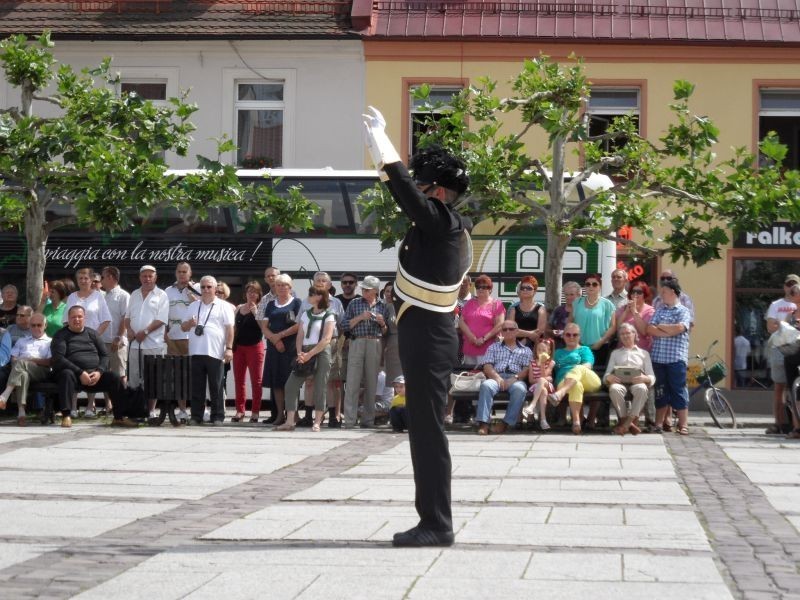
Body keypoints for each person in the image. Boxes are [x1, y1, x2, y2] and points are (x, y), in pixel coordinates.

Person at [364, 106, 471, 547]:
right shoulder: (435, 230)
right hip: (424, 335)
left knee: (429, 433)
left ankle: (436, 524)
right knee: (423, 430)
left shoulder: (444, 223)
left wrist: (384, 147)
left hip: (429, 338)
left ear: (440, 193)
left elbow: (405, 191)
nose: (420, 194)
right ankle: (433, 520)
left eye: (427, 187)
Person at [50, 305, 123, 428]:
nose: (77, 319)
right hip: (73, 376)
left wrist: (99, 372)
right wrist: (80, 372)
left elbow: (105, 355)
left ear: (85, 318)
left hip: (95, 376)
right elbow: (59, 359)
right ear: (68, 318)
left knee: (114, 377)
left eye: (79, 317)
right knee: (66, 374)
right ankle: (66, 415)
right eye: (73, 317)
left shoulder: (92, 334)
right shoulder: (60, 335)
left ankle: (119, 417)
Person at [277, 286, 336, 432]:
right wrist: (299, 353)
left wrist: (310, 354)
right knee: (290, 385)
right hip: (304, 351)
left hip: (321, 351)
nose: (309, 296)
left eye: (312, 294)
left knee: (320, 386)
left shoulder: (329, 315)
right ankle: (290, 421)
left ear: (320, 297)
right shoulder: (305, 314)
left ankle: (317, 421)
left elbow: (327, 338)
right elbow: (300, 336)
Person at [294, 272, 345, 427]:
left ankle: (333, 417)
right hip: (309, 344)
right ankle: (309, 416)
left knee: (331, 382)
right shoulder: (305, 302)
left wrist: (336, 343)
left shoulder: (336, 303)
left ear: (329, 285)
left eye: (324, 281)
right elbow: (299, 326)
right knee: (310, 382)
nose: (321, 283)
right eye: (318, 281)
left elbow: (341, 324)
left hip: (330, 344)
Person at [182, 275, 234, 425]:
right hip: (196, 351)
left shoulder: (223, 305)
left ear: (215, 289)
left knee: (216, 386)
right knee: (197, 386)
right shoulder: (193, 306)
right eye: (203, 287)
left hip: (215, 351)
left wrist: (229, 348)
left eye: (209, 287)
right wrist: (190, 324)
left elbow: (230, 328)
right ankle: (196, 416)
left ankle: (217, 416)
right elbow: (183, 327)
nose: (205, 290)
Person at [341, 275, 390, 428]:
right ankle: (349, 420)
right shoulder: (355, 303)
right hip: (357, 341)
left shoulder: (383, 305)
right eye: (363, 288)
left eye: (367, 289)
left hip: (375, 341)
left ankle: (368, 420)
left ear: (375, 291)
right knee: (352, 381)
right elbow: (344, 325)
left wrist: (382, 323)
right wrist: (360, 317)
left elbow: (386, 330)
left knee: (371, 382)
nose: (363, 290)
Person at [64, 267, 112, 417]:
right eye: (80, 278)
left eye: (86, 278)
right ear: (77, 281)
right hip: (74, 341)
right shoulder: (72, 297)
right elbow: (66, 320)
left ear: (92, 280)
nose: (83, 281)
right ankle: (73, 406)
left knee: (92, 369)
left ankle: (90, 407)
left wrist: (94, 337)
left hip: (94, 341)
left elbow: (106, 319)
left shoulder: (98, 296)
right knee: (74, 370)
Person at [647, 279, 692, 435]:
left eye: (664, 292)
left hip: (676, 359)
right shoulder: (660, 310)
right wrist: (668, 330)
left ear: (673, 292)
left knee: (678, 390)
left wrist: (661, 326)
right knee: (660, 391)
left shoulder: (683, 311)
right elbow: (650, 329)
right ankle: (659, 424)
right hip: (659, 358)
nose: (661, 295)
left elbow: (680, 328)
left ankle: (683, 424)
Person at [124, 265, 169, 417]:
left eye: (150, 276)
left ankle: (150, 411)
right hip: (135, 345)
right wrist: (129, 330)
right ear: (140, 277)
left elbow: (161, 319)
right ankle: (136, 410)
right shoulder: (134, 294)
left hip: (153, 344)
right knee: (134, 378)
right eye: (144, 276)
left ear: (155, 278)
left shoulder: (161, 295)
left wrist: (146, 331)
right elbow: (127, 317)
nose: (147, 279)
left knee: (152, 379)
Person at [474, 320, 532, 435]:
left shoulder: (526, 350)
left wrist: (514, 378)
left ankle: (505, 423)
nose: (508, 331)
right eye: (505, 329)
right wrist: (497, 377)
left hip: (515, 378)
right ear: (501, 332)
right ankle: (484, 423)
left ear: (517, 331)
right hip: (497, 376)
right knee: (486, 385)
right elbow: (487, 366)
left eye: (511, 329)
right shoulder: (493, 347)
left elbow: (526, 370)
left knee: (520, 389)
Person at [260, 273, 302, 427]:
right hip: (274, 348)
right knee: (277, 382)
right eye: (278, 285)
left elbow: (299, 325)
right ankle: (279, 415)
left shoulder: (296, 303)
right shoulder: (270, 304)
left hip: (290, 347)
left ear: (290, 287)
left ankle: (294, 414)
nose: (282, 287)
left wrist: (280, 336)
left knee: (291, 381)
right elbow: (264, 327)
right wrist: (274, 339)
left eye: (285, 285)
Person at [547, 322, 600, 435]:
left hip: (588, 379)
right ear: (563, 336)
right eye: (568, 334)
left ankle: (560, 394)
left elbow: (588, 366)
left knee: (578, 368)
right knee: (576, 385)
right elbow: (549, 368)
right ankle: (576, 422)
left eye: (575, 335)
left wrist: (574, 370)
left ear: (579, 336)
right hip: (564, 381)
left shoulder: (585, 349)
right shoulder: (557, 353)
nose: (571, 337)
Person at [603, 322, 656, 436]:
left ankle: (625, 424)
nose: (625, 336)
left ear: (634, 334)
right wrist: (609, 377)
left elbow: (651, 376)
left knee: (642, 388)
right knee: (614, 389)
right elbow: (607, 375)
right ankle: (628, 424)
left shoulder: (644, 353)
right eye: (622, 334)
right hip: (620, 382)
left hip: (637, 382)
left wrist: (645, 378)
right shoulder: (615, 353)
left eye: (628, 333)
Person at [0, 312, 51, 426]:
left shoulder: (50, 342)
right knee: (23, 374)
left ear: (45, 326)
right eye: (33, 325)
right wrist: (22, 363)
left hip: (41, 371)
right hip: (21, 370)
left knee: (21, 363)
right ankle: (21, 413)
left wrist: (31, 360)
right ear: (29, 326)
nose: (36, 328)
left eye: (39, 325)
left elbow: (49, 362)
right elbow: (13, 359)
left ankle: (4, 396)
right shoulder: (22, 341)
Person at [764, 273, 800, 435]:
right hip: (784, 350)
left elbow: (779, 326)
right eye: (789, 286)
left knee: (795, 388)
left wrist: (783, 326)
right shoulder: (779, 307)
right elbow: (771, 328)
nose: (792, 290)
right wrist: (785, 326)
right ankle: (783, 424)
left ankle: (795, 425)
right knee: (783, 387)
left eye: (795, 287)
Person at [164, 262, 198, 420]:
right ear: (175, 273)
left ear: (190, 274)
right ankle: (183, 409)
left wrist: (192, 295)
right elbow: (163, 316)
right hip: (174, 340)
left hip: (194, 339)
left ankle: (199, 410)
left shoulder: (198, 288)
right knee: (178, 376)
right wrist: (166, 337)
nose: (182, 274)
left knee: (195, 376)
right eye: (179, 271)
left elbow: (202, 309)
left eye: (185, 272)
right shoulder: (168, 291)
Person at [232, 281, 265, 423]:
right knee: (239, 380)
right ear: (245, 293)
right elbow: (233, 328)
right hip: (239, 348)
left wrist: (255, 312)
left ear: (259, 295)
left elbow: (263, 328)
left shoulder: (261, 308)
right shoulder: (239, 308)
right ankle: (240, 411)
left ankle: (255, 412)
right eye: (249, 291)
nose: (251, 294)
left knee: (256, 381)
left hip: (255, 347)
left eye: (255, 292)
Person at [331, 271, 361, 427]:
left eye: (351, 282)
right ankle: (338, 412)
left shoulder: (360, 300)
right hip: (338, 344)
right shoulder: (336, 301)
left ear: (356, 284)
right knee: (338, 380)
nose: (347, 285)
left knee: (355, 381)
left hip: (356, 343)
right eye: (345, 282)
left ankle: (354, 412)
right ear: (341, 284)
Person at [100, 266, 130, 414]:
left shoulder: (123, 295)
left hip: (117, 342)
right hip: (103, 342)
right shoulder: (103, 296)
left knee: (120, 374)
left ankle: (123, 405)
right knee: (106, 376)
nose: (101, 281)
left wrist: (118, 337)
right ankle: (109, 406)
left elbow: (125, 318)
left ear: (111, 277)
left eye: (103, 277)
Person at [458, 274, 505, 367]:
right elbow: (461, 322)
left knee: (485, 375)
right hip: (470, 346)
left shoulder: (497, 304)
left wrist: (483, 339)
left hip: (488, 347)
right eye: (478, 287)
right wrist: (472, 337)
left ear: (490, 289)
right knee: (470, 375)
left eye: (484, 287)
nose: (480, 289)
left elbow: (500, 325)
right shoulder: (470, 303)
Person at [521, 338, 556, 430]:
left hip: (548, 386)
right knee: (543, 390)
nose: (540, 352)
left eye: (543, 350)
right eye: (539, 350)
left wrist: (542, 364)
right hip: (536, 387)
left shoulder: (551, 363)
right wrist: (544, 379)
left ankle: (532, 404)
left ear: (549, 351)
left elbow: (545, 375)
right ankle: (543, 420)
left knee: (541, 380)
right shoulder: (532, 363)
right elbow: (531, 380)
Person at [507, 275, 547, 348]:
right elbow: (510, 330)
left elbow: (539, 332)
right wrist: (530, 334)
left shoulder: (541, 309)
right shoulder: (513, 309)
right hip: (516, 348)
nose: (525, 290)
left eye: (528, 288)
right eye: (523, 288)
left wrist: (525, 340)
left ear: (535, 291)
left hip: (535, 349)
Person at [548, 281, 581, 348]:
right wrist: (553, 332)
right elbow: (547, 329)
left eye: (571, 294)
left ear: (578, 295)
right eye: (566, 294)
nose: (568, 297)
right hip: (558, 348)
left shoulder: (582, 311)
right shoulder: (558, 310)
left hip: (578, 349)